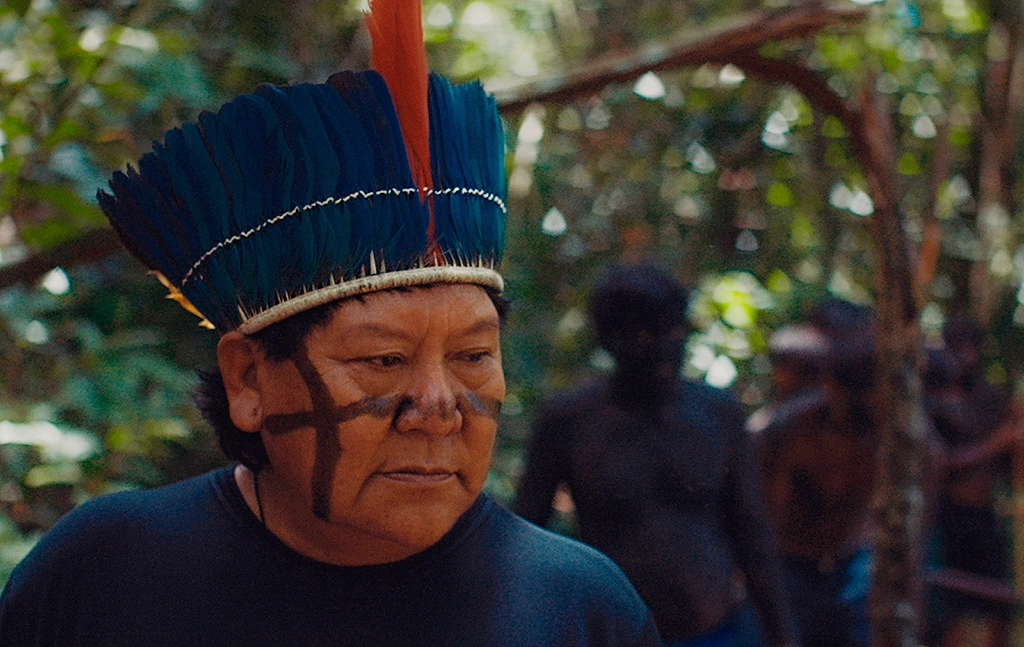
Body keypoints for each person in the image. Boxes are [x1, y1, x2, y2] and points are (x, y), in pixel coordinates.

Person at [0, 2, 660, 645]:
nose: (435, 406)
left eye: (472, 356)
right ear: (250, 378)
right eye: (383, 360)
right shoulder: (105, 573)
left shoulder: (580, 609)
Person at [514, 262, 796, 647]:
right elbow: (528, 538)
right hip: (614, 636)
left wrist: (783, 635)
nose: (663, 348)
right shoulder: (569, 422)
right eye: (643, 336)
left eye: (672, 331)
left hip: (718, 633)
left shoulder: (717, 414)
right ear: (609, 341)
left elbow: (752, 533)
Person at [747, 304, 878, 647]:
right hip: (787, 568)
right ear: (833, 388)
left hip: (846, 568)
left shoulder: (894, 437)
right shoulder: (784, 430)